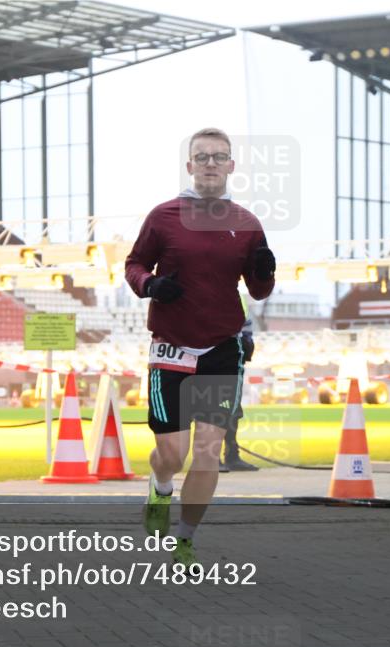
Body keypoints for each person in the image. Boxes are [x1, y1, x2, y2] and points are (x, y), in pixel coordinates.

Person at [125, 128, 275, 568]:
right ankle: (160, 486)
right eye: (202, 157)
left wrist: (266, 271)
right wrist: (150, 284)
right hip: (170, 348)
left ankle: (184, 539)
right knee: (174, 453)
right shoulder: (163, 215)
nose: (211, 163)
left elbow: (259, 290)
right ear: (189, 166)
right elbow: (134, 264)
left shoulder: (247, 223)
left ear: (231, 166)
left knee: (208, 451)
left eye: (219, 157)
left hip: (221, 349)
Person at [220, 295, 258, 473]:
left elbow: (246, 325)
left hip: (234, 360)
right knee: (211, 411)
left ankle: (231, 455)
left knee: (233, 411)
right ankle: (210, 457)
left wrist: (247, 344)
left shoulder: (237, 295)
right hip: (213, 359)